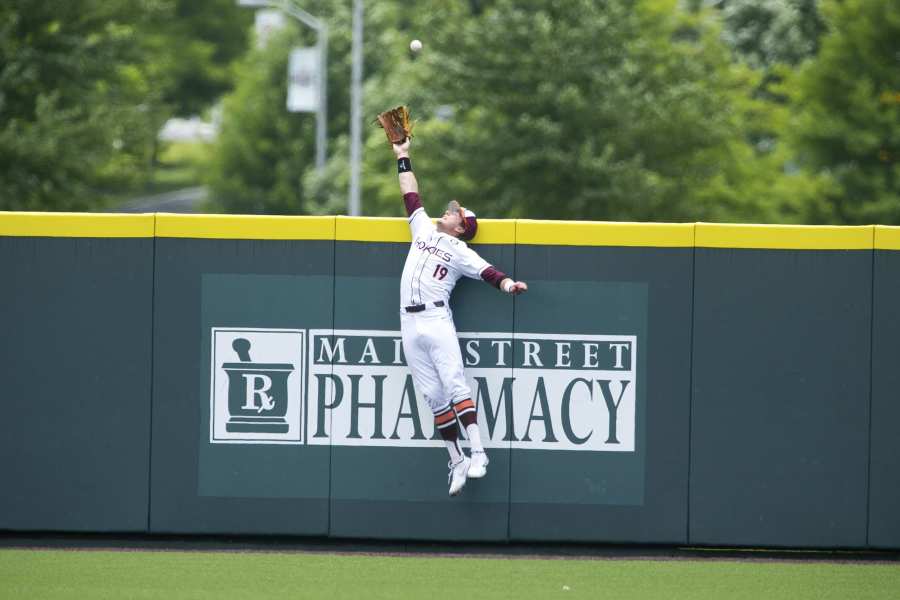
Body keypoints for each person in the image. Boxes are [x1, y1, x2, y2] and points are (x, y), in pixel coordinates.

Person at [391, 137, 528, 496]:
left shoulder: (460, 249)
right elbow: (410, 195)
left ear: (461, 226)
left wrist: (509, 285)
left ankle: (479, 453)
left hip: (436, 320)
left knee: (454, 386)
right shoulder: (422, 228)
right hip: (409, 322)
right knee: (433, 396)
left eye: (455, 212)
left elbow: (489, 273)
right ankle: (456, 460)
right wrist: (403, 156)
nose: (449, 211)